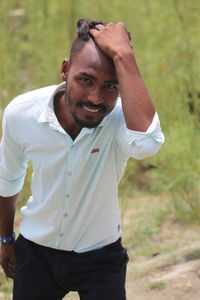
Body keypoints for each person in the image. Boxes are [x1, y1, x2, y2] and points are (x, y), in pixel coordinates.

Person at [0, 18, 164, 300]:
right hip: (36, 253)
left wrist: (124, 55)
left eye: (111, 86)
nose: (95, 98)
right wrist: (5, 239)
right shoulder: (22, 113)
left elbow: (146, 144)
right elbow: (8, 178)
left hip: (101, 259)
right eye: (85, 80)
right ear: (65, 70)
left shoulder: (121, 120)